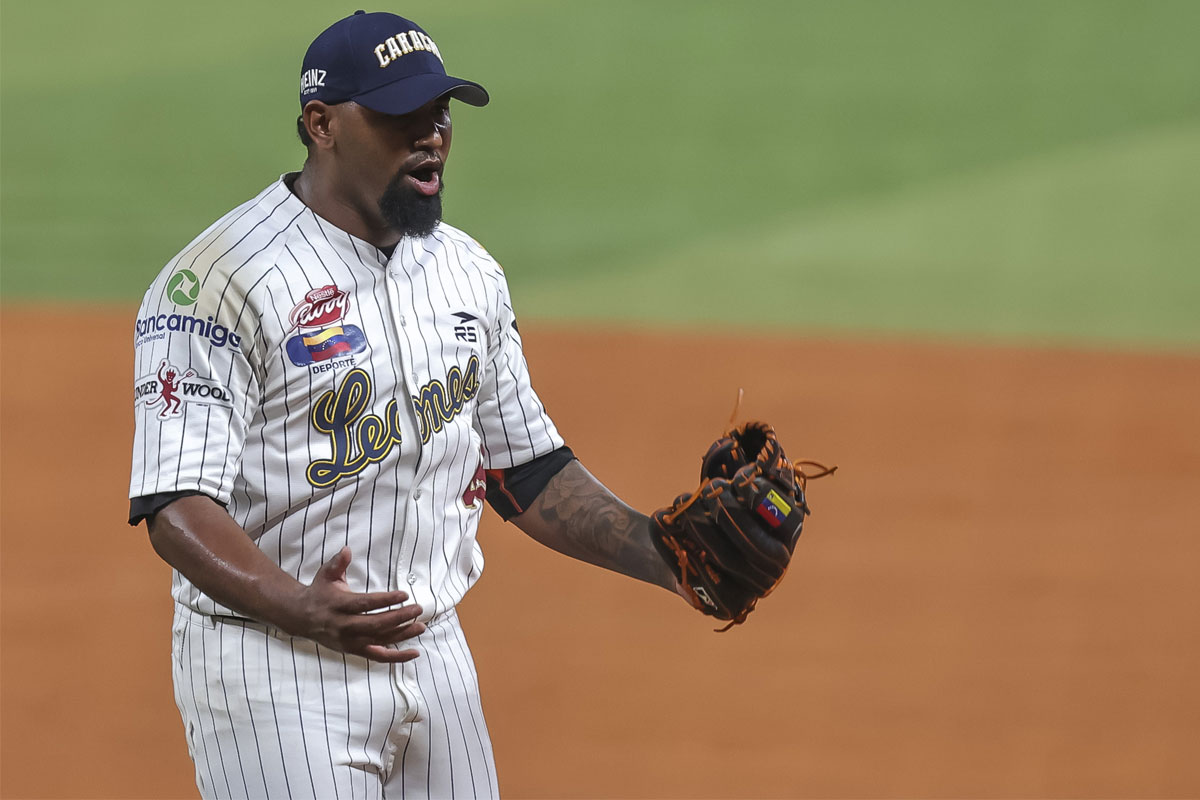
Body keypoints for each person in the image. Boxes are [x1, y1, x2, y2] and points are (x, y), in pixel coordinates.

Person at [129, 10, 679, 799]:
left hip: (434, 649)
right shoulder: (219, 282)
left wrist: (664, 554)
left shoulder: (466, 272)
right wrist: (302, 607)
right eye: (400, 118)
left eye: (439, 114)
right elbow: (175, 506)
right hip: (273, 669)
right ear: (321, 125)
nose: (431, 137)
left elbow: (526, 469)